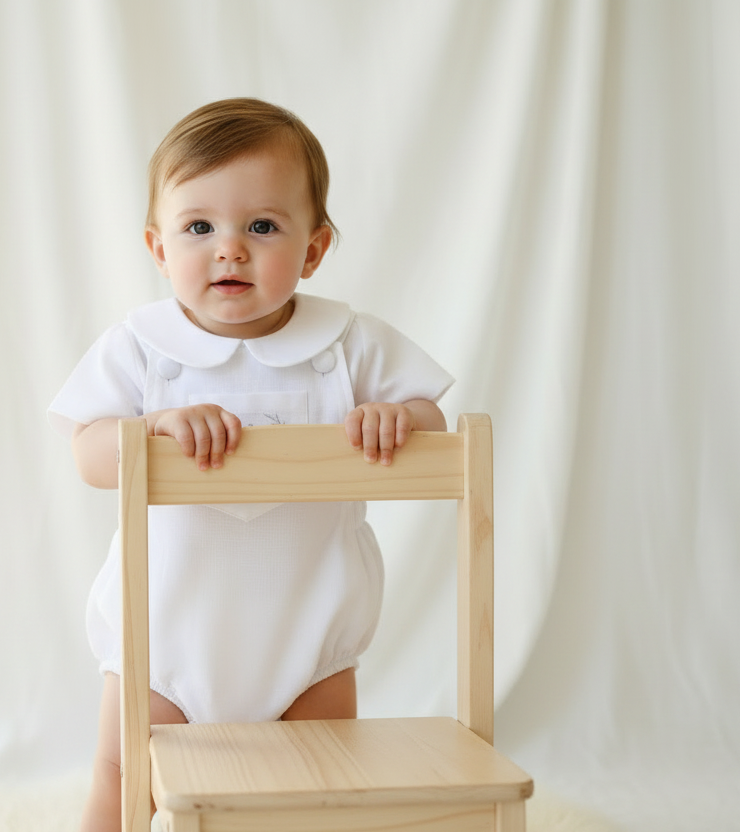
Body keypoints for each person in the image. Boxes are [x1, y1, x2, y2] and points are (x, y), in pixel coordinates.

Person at [48, 98, 453, 832]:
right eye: (199, 227)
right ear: (159, 247)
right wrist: (147, 430)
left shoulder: (350, 345)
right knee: (120, 781)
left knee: (316, 794)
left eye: (262, 226)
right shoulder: (141, 347)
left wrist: (399, 419)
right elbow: (88, 454)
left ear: (314, 249)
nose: (229, 248)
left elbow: (432, 423)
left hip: (308, 644)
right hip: (164, 642)